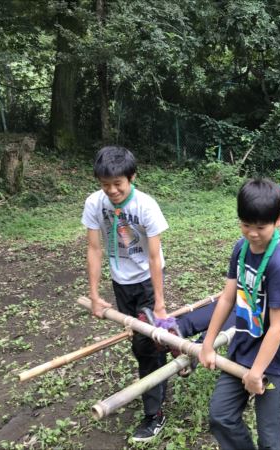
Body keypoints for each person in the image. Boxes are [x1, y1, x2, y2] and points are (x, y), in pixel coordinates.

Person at [199, 178, 280, 450]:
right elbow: (227, 298)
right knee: (221, 416)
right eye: (246, 225)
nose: (252, 233)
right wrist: (207, 344)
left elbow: (278, 328)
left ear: (278, 220)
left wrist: (257, 373)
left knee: (272, 440)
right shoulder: (240, 249)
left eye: (260, 227)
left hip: (272, 363)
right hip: (242, 349)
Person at [81, 146, 169, 442]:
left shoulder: (146, 206)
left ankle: (154, 414)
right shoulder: (95, 203)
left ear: (132, 177)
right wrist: (94, 295)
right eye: (105, 185)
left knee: (144, 346)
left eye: (118, 184)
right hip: (121, 282)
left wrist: (159, 303)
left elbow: (155, 258)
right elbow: (94, 248)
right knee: (142, 341)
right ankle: (166, 357)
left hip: (146, 279)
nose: (112, 190)